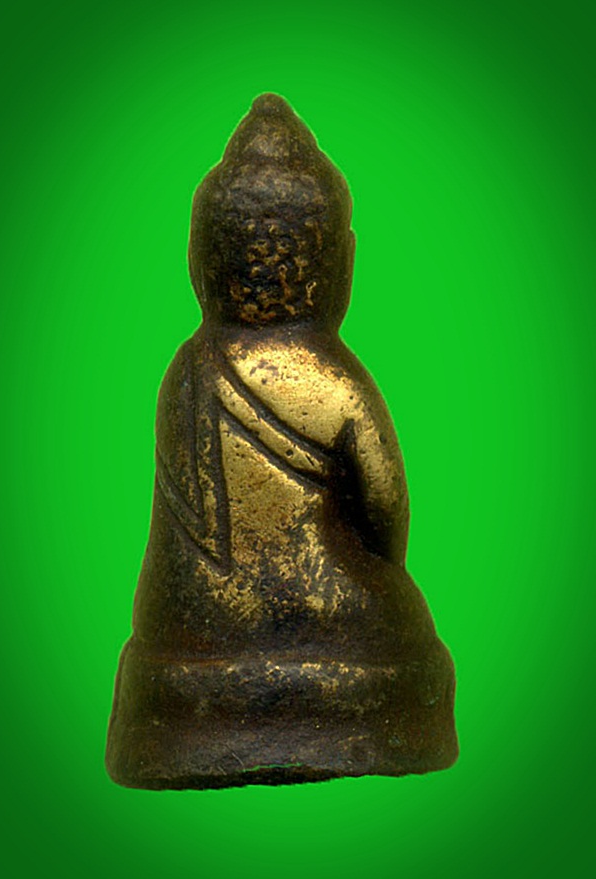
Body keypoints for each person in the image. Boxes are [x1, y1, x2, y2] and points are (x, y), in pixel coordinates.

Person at [106, 94, 457, 789]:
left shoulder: (186, 370)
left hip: (185, 640)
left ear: (201, 262)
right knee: (402, 618)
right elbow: (386, 517)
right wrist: (380, 577)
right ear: (338, 263)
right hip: (326, 615)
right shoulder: (334, 379)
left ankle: (186, 714)